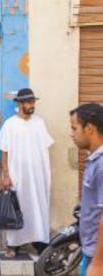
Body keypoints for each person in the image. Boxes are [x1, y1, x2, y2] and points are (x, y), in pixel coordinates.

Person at [0, 88, 54, 257]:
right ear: (20, 104)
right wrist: (6, 175)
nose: (32, 105)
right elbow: (4, 150)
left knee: (38, 208)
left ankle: (41, 243)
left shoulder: (39, 123)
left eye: (33, 102)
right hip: (17, 176)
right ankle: (13, 245)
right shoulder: (10, 124)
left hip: (38, 176)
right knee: (17, 208)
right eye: (28, 102)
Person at [69, 103, 103, 276]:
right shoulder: (94, 158)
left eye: (75, 129)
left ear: (89, 128)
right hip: (90, 252)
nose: (71, 134)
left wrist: (98, 264)